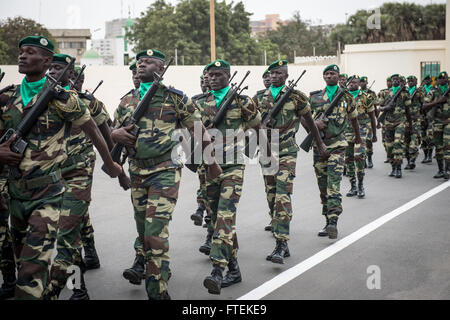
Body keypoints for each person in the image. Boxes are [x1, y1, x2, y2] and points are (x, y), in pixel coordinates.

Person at [0, 36, 122, 300]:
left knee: (62, 241)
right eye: (21, 52)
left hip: (55, 189)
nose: (21, 56)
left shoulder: (68, 99)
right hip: (16, 193)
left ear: (45, 61)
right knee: (24, 261)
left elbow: (98, 130)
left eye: (30, 53)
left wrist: (111, 164)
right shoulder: (6, 98)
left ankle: (75, 288)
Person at [111, 49, 220, 299]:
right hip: (137, 171)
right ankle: (159, 271)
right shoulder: (126, 100)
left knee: (155, 232)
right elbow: (114, 131)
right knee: (143, 233)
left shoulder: (175, 98)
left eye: (148, 62)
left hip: (165, 171)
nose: (142, 64)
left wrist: (211, 162)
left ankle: (157, 290)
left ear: (160, 68)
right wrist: (114, 135)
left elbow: (198, 129)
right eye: (139, 62)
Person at [195, 59, 261, 295]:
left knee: (225, 216)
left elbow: (257, 126)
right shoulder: (198, 101)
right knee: (215, 221)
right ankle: (234, 268)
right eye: (210, 75)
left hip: (233, 166)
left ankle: (217, 270)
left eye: (218, 74)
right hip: (208, 167)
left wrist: (250, 152)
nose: (213, 78)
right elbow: (187, 132)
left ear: (228, 76)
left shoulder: (242, 101)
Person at [256, 60, 327, 264]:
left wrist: (320, 144)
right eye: (272, 73)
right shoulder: (259, 98)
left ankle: (281, 243)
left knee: (282, 196)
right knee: (271, 197)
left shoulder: (296, 97)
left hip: (287, 152)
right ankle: (278, 228)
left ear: (286, 76)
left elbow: (310, 122)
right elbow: (250, 123)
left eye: (279, 73)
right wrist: (260, 127)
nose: (275, 76)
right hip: (267, 153)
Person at [309, 64, 361, 239]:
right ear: (323, 77)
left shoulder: (346, 97)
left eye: (333, 73)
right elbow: (304, 117)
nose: (329, 76)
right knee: (323, 187)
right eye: (327, 74)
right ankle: (326, 220)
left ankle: (333, 221)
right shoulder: (315, 98)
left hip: (338, 146)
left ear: (339, 77)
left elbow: (354, 119)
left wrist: (359, 138)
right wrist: (314, 125)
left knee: (333, 185)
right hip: (318, 146)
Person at [344, 76, 377, 199]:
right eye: (350, 82)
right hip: (346, 131)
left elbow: (372, 117)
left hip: (362, 130)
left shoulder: (366, 97)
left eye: (355, 82)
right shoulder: (343, 97)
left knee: (359, 157)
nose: (352, 84)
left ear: (359, 84)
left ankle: (361, 185)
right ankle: (353, 186)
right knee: (348, 159)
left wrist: (374, 134)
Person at [377, 74, 412, 178]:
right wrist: (386, 107)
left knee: (398, 143)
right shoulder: (384, 92)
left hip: (400, 122)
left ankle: (399, 168)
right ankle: (393, 167)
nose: (396, 81)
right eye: (394, 79)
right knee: (389, 146)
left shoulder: (404, 93)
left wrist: (409, 124)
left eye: (398, 79)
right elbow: (379, 107)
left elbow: (408, 110)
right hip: (388, 123)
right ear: (391, 81)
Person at [422, 71, 449, 179]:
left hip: (449, 122)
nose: (443, 80)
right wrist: (437, 101)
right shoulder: (433, 90)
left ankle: (447, 170)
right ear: (438, 80)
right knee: (438, 147)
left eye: (445, 78)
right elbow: (424, 106)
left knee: (448, 146)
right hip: (437, 122)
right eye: (440, 78)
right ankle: (440, 170)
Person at [404, 75, 426, 170]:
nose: (410, 82)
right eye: (409, 81)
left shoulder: (419, 91)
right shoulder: (404, 91)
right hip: (405, 120)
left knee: (414, 140)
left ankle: (413, 160)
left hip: (416, 119)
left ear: (416, 82)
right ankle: (409, 161)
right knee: (405, 142)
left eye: (412, 81)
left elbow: (423, 104)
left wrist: (424, 117)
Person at [360, 76, 377, 168]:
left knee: (368, 141)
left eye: (365, 82)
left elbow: (374, 107)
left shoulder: (371, 93)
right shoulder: (357, 93)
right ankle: (363, 159)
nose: (363, 83)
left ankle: (369, 157)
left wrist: (377, 119)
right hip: (358, 121)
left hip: (368, 121)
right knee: (361, 142)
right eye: (361, 82)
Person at [377, 77, 393, 163]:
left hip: (394, 119)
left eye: (390, 81)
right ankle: (389, 155)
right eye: (388, 81)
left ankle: (392, 157)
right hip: (385, 118)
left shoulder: (397, 92)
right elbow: (380, 104)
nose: (389, 83)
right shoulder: (383, 92)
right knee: (385, 140)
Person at [420, 75, 434, 163]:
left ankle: (429, 155)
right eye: (425, 80)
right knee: (423, 136)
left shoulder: (434, 89)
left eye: (428, 80)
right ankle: (425, 156)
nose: (427, 81)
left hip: (432, 114)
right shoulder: (420, 90)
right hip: (422, 115)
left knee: (430, 135)